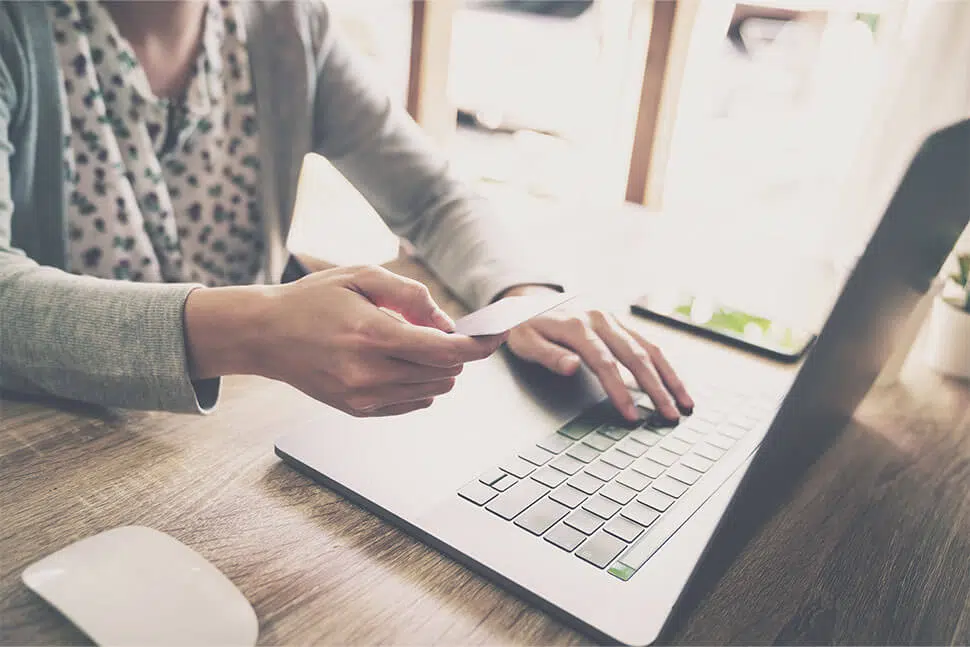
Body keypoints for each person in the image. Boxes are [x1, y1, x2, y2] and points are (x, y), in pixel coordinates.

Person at [0, 0, 692, 421]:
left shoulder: (286, 25)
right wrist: (257, 331)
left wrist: (522, 293)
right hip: (54, 458)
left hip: (231, 449)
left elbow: (433, 195)